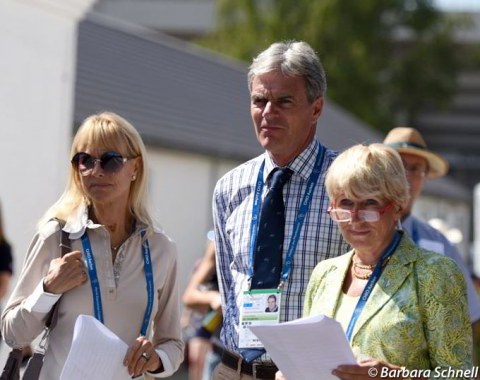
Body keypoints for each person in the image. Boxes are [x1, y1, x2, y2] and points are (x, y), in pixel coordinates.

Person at [1, 112, 184, 379]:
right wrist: (48, 290)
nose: (96, 171)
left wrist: (155, 360)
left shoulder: (161, 248)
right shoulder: (56, 236)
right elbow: (12, 334)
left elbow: (173, 344)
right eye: (84, 160)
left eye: (110, 160)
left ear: (136, 168)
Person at [276, 143, 471, 379]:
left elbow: (460, 374)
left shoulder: (435, 273)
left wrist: (395, 377)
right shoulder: (324, 274)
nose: (355, 219)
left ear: (398, 206)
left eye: (370, 203)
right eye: (345, 203)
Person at [212, 40, 348, 380]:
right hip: (235, 369)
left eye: (284, 101)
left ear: (316, 109)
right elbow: (230, 289)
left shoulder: (347, 184)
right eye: (260, 100)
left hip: (312, 373)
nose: (268, 112)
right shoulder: (230, 187)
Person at [383, 127, 480, 329]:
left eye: (416, 168)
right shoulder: (355, 230)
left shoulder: (439, 243)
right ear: (380, 171)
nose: (406, 175)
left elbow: (468, 317)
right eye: (398, 165)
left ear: (426, 177)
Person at [182, 233, 223, 380]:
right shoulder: (216, 249)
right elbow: (189, 296)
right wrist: (214, 298)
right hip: (208, 327)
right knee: (197, 365)